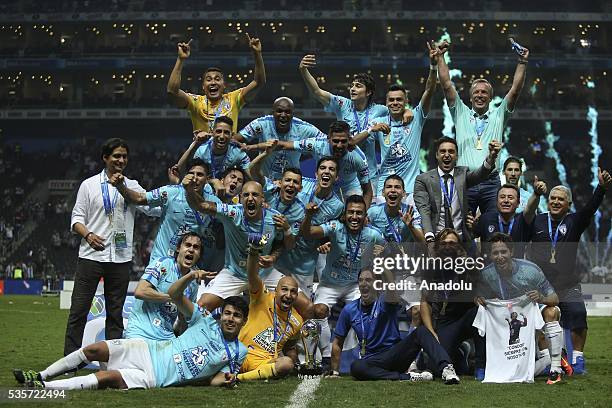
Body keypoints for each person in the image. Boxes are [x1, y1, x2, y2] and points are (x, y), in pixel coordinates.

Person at [14, 243, 249, 389]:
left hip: (157, 374)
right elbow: (167, 294)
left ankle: (45, 386)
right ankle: (41, 374)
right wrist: (189, 277)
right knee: (94, 350)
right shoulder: (203, 318)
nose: (230, 318)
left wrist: (227, 380)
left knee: (108, 378)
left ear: (243, 321)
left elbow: (215, 378)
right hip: (147, 349)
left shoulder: (239, 352)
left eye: (236, 316)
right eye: (227, 313)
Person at [65, 138, 158, 356]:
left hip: (121, 258)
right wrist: (87, 235)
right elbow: (76, 218)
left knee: (115, 314)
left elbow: (151, 209)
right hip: (91, 256)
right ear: (105, 158)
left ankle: (113, 362)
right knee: (78, 312)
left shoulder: (132, 186)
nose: (121, 160)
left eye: (124, 156)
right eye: (116, 156)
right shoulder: (88, 185)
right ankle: (70, 362)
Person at [527, 168, 611, 374]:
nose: (555, 202)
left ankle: (578, 359)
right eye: (552, 198)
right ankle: (547, 360)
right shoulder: (537, 220)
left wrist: (601, 188)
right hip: (541, 285)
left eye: (560, 200)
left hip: (567, 285)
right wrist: (535, 194)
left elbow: (590, 208)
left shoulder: (574, 221)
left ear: (568, 205)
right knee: (540, 320)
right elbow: (526, 214)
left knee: (579, 315)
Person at [437, 39, 528, 215]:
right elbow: (447, 85)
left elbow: (515, 90)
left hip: (491, 181)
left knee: (491, 229)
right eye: (476, 92)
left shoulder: (499, 115)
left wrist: (522, 62)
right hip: (464, 179)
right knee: (462, 228)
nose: (480, 95)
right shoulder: (461, 112)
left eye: (484, 92)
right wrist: (440, 56)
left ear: (491, 97)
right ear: (470, 98)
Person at [298, 55, 413, 189]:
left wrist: (407, 111)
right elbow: (317, 91)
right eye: (351, 86)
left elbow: (397, 108)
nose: (352, 89)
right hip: (344, 175)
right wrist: (303, 70)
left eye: (358, 86)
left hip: (370, 176)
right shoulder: (342, 104)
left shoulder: (380, 110)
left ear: (368, 91)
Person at [182, 177, 292, 312]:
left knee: (305, 305)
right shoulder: (232, 213)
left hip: (265, 274)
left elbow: (281, 244)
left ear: (262, 199)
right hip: (234, 274)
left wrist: (274, 257)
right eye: (246, 195)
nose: (250, 198)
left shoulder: (275, 218)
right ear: (240, 198)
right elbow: (201, 205)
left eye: (255, 195)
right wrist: (189, 190)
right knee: (201, 307)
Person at [331, 269, 459, 384]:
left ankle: (447, 369)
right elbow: (338, 342)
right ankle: (407, 377)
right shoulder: (349, 310)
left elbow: (392, 291)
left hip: (395, 355)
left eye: (368, 280)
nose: (364, 284)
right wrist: (335, 373)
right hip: (372, 360)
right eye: (361, 280)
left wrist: (384, 267)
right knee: (356, 367)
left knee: (421, 331)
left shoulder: (385, 301)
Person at [302, 195, 386, 365]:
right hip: (330, 284)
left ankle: (366, 353)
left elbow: (387, 252)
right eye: (351, 212)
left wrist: (380, 258)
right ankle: (326, 356)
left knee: (367, 313)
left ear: (365, 216)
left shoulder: (374, 234)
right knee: (318, 310)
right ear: (344, 214)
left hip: (356, 285)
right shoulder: (335, 227)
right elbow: (308, 232)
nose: (354, 217)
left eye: (359, 213)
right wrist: (309, 215)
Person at [349, 42, 439, 196]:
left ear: (406, 102)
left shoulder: (416, 117)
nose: (395, 103)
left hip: (410, 189)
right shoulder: (379, 122)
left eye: (399, 100)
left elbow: (429, 90)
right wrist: (371, 129)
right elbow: (351, 143)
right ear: (386, 103)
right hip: (385, 187)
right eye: (391, 100)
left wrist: (433, 66)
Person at [476, 233, 566, 384]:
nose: (500, 257)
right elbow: (479, 298)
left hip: (531, 312)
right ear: (490, 255)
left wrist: (541, 298)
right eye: (495, 253)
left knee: (552, 312)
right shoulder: (486, 274)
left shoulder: (531, 270)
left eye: (503, 252)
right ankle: (548, 360)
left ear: (511, 252)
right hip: (507, 320)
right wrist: (478, 301)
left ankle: (555, 369)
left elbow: (555, 299)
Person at [110, 158, 222, 271]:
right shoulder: (170, 192)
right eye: (191, 173)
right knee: (146, 289)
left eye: (200, 174)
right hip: (161, 261)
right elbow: (139, 198)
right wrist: (121, 186)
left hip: (190, 265)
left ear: (207, 179)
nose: (194, 177)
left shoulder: (213, 202)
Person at [236, 233, 304, 381]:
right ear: (276, 291)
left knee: (286, 363)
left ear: (296, 297)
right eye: (284, 289)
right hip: (241, 353)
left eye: (293, 292)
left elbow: (290, 347)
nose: (288, 294)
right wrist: (254, 251)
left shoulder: (297, 321)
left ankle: (240, 378)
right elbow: (252, 276)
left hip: (264, 363)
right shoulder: (262, 297)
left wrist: (294, 363)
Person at [167, 34, 265, 133]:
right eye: (209, 79)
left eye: (217, 79)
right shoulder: (195, 103)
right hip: (202, 148)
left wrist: (257, 54)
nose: (213, 82)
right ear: (203, 87)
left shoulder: (234, 99)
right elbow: (172, 91)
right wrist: (180, 59)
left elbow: (258, 82)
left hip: (229, 148)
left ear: (224, 85)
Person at [419, 229, 484, 377]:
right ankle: (461, 353)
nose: (448, 247)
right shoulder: (431, 267)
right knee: (436, 368)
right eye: (444, 243)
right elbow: (424, 301)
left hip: (467, 316)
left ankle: (481, 365)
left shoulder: (467, 265)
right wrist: (430, 331)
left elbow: (477, 277)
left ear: (459, 247)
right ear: (438, 247)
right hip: (446, 320)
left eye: (452, 243)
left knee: (481, 312)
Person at [413, 137, 502, 244]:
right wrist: (429, 236)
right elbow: (424, 210)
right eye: (442, 151)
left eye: (451, 151)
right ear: (437, 155)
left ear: (456, 156)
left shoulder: (463, 174)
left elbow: (480, 174)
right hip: (436, 240)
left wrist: (492, 157)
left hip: (461, 240)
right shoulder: (423, 179)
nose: (447, 155)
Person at [123, 233, 210, 341]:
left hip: (167, 337)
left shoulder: (193, 282)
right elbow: (140, 292)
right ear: (178, 248)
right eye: (187, 245)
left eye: (196, 247)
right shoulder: (163, 264)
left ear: (199, 254)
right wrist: (174, 297)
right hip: (141, 331)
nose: (191, 250)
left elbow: (184, 316)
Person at [275, 120, 373, 205]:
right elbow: (284, 145)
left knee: (354, 212)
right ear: (328, 139)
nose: (339, 145)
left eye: (343, 141)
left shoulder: (358, 158)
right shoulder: (316, 144)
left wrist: (364, 213)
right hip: (324, 182)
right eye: (335, 141)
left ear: (350, 139)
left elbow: (368, 191)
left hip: (349, 186)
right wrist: (259, 147)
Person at [235, 97, 327, 181]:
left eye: (287, 112)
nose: (283, 115)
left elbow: (327, 142)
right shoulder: (261, 124)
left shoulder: (303, 128)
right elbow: (234, 140)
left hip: (291, 183)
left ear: (292, 114)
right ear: (273, 112)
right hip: (265, 181)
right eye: (279, 111)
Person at [469, 181, 545, 258]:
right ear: (496, 201)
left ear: (518, 203)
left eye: (510, 197)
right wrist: (470, 228)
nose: (506, 201)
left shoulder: (522, 220)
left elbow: (530, 209)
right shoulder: (485, 219)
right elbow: (471, 236)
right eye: (502, 197)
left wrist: (536, 194)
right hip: (490, 269)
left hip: (516, 269)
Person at [177, 116, 250, 180]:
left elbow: (252, 177)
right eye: (218, 131)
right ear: (212, 133)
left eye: (226, 132)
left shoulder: (238, 152)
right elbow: (181, 170)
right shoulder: (201, 149)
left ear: (232, 135)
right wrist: (195, 143)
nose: (222, 136)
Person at [367, 175, 425, 244]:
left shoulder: (411, 213)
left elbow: (423, 243)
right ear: (383, 192)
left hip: (407, 253)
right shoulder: (372, 213)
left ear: (404, 193)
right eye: (389, 187)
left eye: (397, 187)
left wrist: (411, 227)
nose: (393, 190)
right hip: (382, 253)